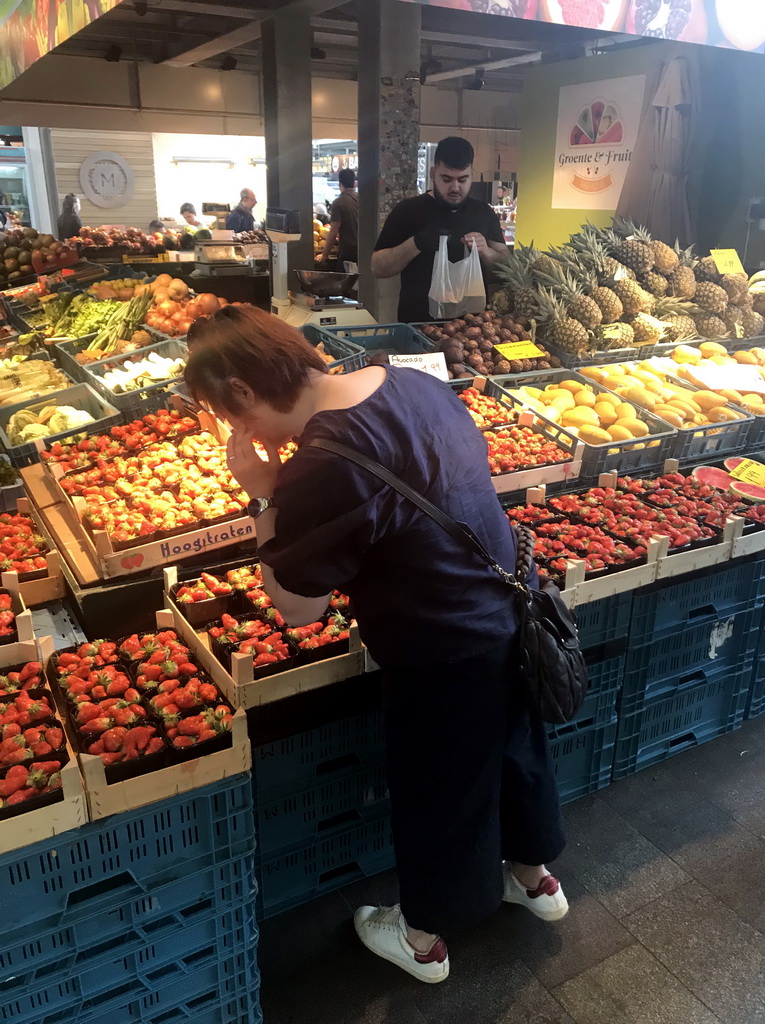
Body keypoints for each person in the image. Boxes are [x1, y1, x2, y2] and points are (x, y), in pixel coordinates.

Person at [183, 304, 568, 985]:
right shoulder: (407, 380)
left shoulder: (321, 461)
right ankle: (535, 881)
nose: (240, 432)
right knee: (515, 749)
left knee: (440, 789)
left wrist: (262, 496)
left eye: (231, 416)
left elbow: (299, 607)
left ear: (242, 392)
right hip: (512, 610)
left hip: (440, 643)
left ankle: (423, 940)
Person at [372, 136, 508, 323]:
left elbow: (506, 267)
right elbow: (377, 267)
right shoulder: (408, 211)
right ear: (432, 172)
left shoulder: (483, 212)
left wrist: (486, 251)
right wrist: (416, 243)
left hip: (473, 335)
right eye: (446, 179)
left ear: (472, 174)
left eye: (463, 179)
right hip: (418, 328)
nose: (455, 187)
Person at [316, 168, 358, 270]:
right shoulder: (362, 200)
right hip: (362, 253)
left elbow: (333, 232)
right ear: (354, 184)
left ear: (340, 185)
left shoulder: (338, 203)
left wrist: (324, 255)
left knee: (344, 284)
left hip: (347, 254)